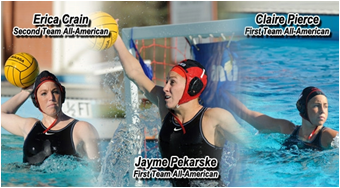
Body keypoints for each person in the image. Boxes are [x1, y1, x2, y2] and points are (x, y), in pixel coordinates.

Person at [113, 31, 252, 186]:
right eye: (166, 81)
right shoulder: (165, 108)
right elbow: (134, 73)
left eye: (172, 82)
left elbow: (255, 146)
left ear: (192, 87)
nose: (165, 88)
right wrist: (115, 37)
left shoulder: (214, 117)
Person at [1, 70, 100, 165]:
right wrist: (26, 92)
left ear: (62, 95)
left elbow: (97, 170)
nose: (51, 98)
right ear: (36, 100)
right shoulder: (30, 127)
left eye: (55, 92)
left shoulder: (81, 129)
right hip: (28, 181)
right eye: (44, 93)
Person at [225, 86, 338, 151]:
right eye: (316, 106)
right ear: (303, 108)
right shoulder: (287, 128)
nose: (323, 111)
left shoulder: (327, 136)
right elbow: (246, 114)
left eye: (326, 106)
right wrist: (221, 93)